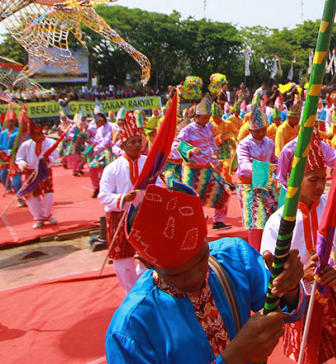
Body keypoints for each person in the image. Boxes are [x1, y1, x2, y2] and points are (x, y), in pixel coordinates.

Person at [105, 182, 306, 363]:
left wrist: (287, 286)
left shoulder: (235, 257)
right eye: (177, 274)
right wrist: (232, 358)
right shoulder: (130, 329)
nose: (195, 277)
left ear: (206, 238)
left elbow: (283, 308)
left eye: (201, 259)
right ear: (148, 264)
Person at [261, 139, 336, 364]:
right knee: (308, 357)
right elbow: (268, 274)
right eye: (313, 180)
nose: (321, 186)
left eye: (324, 178)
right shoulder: (277, 222)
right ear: (294, 181)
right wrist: (299, 276)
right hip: (300, 302)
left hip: (333, 295)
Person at [99, 114, 151, 292]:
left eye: (139, 141)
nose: (138, 145)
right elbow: (103, 196)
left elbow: (158, 185)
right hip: (119, 215)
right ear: (123, 145)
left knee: (148, 254)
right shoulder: (111, 169)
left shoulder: (149, 164)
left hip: (144, 214)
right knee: (123, 258)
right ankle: (130, 292)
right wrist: (122, 198)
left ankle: (145, 288)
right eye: (133, 141)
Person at [169, 96, 232, 231]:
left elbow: (210, 144)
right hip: (191, 171)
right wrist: (190, 150)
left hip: (206, 169)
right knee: (190, 200)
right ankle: (191, 226)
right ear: (196, 117)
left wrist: (215, 160)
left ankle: (218, 221)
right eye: (204, 117)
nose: (207, 120)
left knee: (222, 191)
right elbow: (176, 145)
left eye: (208, 117)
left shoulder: (208, 127)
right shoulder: (188, 130)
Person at [236, 103, 279, 249]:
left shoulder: (269, 142)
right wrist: (266, 168)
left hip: (266, 183)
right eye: (257, 131)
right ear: (250, 130)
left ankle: (271, 248)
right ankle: (256, 252)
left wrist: (284, 166)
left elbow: (274, 160)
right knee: (256, 220)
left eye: (263, 130)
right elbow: (243, 167)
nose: (261, 133)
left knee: (276, 215)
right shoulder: (243, 145)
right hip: (248, 184)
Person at [13, 118, 58, 228]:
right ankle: (38, 217)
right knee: (32, 197)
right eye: (31, 136)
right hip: (31, 173)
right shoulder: (26, 144)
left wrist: (48, 159)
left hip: (44, 172)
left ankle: (47, 215)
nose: (33, 138)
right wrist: (22, 163)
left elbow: (55, 155)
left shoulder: (50, 142)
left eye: (35, 135)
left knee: (48, 195)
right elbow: (19, 157)